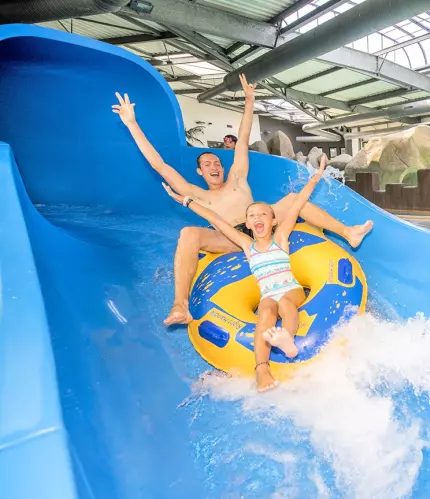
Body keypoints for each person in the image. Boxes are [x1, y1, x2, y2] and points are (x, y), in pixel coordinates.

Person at [112, 74, 373, 326]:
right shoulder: (198, 194)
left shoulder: (237, 178)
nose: (214, 166)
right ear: (199, 172)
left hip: (261, 225)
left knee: (294, 198)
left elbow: (243, 137)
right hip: (232, 238)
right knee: (188, 233)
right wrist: (132, 124)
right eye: (207, 164)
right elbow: (159, 165)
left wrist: (249, 101)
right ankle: (180, 304)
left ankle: (347, 232)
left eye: (217, 162)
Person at [163, 157, 327, 391]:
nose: (257, 218)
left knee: (286, 304)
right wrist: (188, 201)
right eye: (252, 216)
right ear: (247, 225)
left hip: (291, 289)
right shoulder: (247, 246)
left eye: (263, 215)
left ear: (273, 221)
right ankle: (262, 369)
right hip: (268, 294)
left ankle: (287, 339)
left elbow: (297, 204)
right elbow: (215, 219)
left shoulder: (281, 238)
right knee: (265, 313)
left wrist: (316, 177)